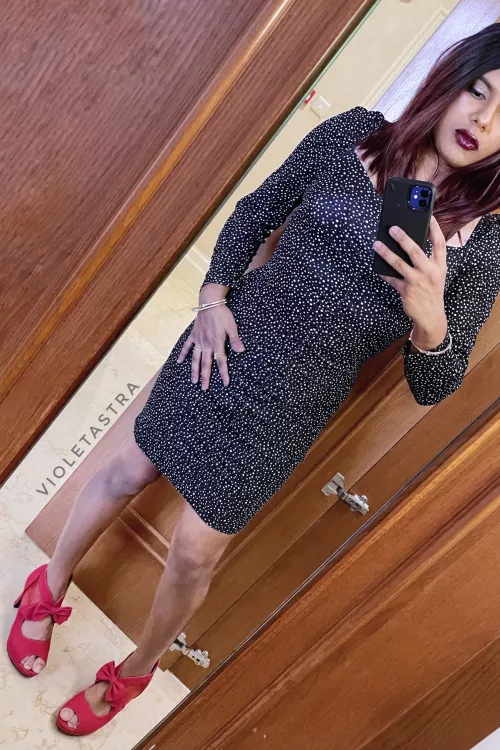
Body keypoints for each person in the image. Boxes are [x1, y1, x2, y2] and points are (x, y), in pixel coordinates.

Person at [7, 24, 500, 737]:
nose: (484, 120)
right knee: (126, 470)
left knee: (195, 552)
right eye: (479, 91)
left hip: (292, 407)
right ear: (449, 81)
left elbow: (435, 385)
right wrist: (212, 298)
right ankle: (47, 584)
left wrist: (431, 319)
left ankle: (138, 669)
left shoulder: (483, 242)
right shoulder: (354, 136)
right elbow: (256, 212)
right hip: (226, 345)